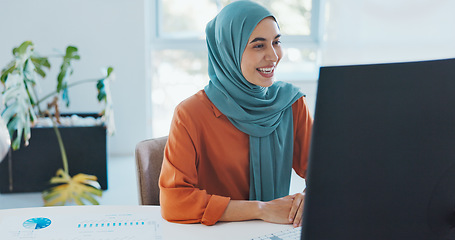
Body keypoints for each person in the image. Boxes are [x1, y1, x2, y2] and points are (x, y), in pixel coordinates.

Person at [159, 0, 313, 227]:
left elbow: (330, 172)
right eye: (258, 45)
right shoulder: (190, 115)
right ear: (228, 51)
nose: (273, 56)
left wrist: (309, 197)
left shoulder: (291, 104)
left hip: (276, 232)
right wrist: (260, 209)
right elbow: (174, 202)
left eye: (276, 42)